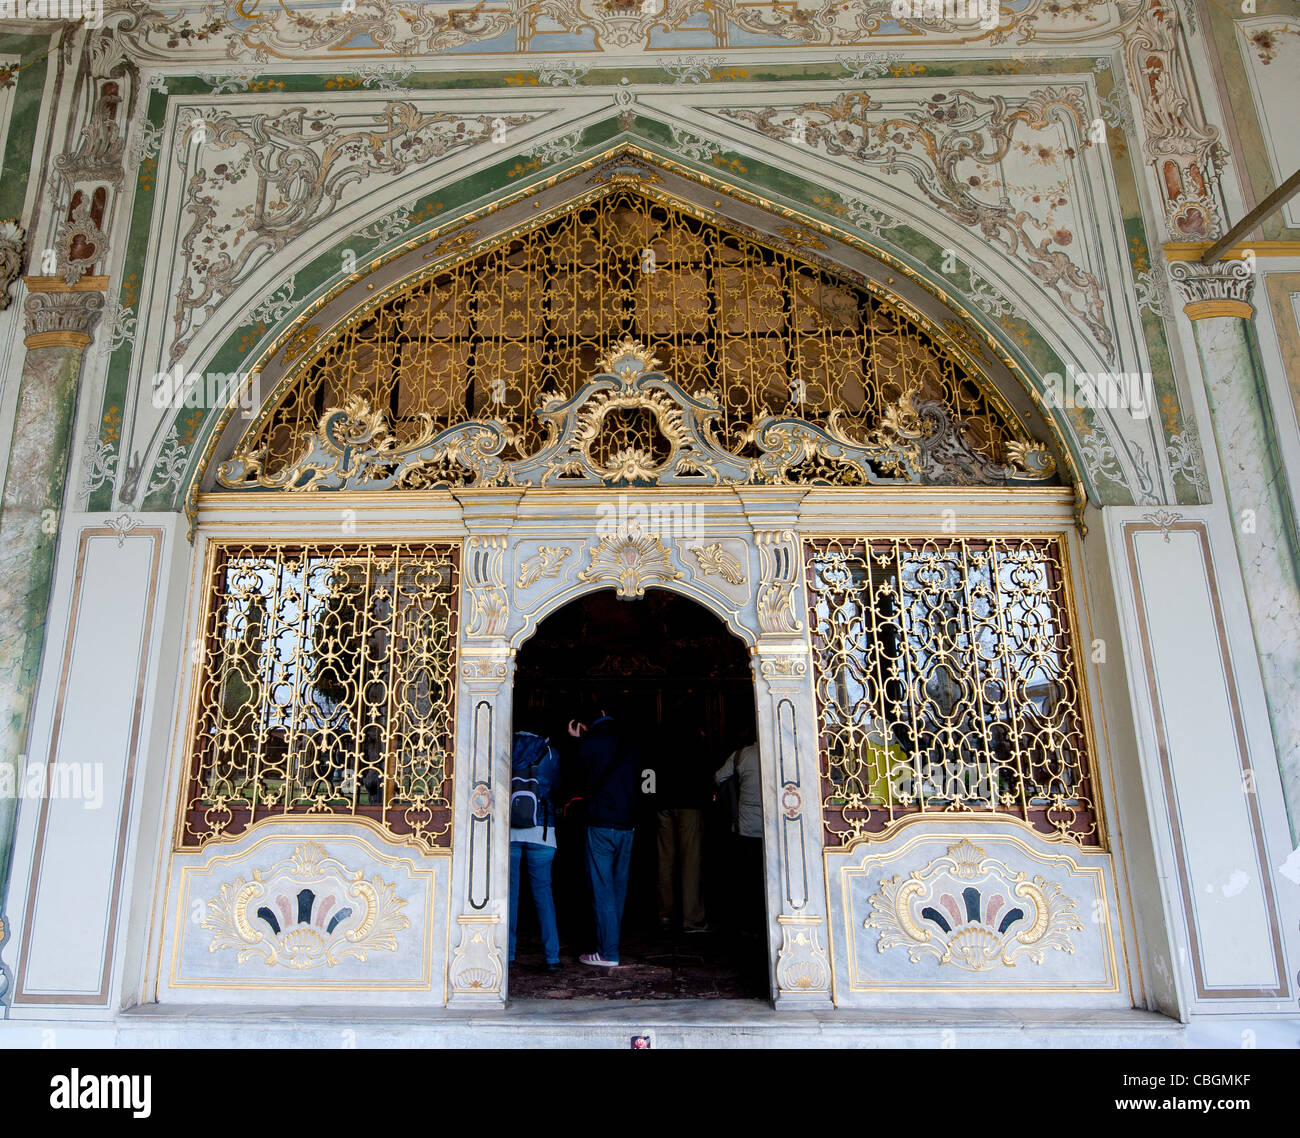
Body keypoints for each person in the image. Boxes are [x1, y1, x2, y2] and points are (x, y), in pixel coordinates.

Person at [570, 699, 639, 967]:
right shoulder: (629, 739)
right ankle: (611, 943)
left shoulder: (589, 743)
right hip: (627, 824)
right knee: (619, 889)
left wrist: (577, 741)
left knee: (602, 889)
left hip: (600, 823)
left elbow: (576, 778)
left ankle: (608, 952)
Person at [508, 729, 562, 973]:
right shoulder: (550, 753)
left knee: (509, 895)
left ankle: (508, 953)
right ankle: (552, 957)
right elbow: (556, 786)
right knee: (544, 896)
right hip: (541, 830)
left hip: (510, 831)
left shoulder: (505, 747)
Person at [656, 719, 710, 933]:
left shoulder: (661, 734)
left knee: (665, 860)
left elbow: (651, 767)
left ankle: (665, 913)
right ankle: (691, 917)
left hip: (663, 801)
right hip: (689, 800)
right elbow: (705, 771)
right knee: (691, 861)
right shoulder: (695, 737)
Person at [715, 737, 764, 934]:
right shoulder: (779, 753)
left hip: (746, 826)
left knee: (747, 879)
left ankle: (748, 923)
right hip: (773, 827)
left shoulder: (742, 755)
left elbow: (718, 777)